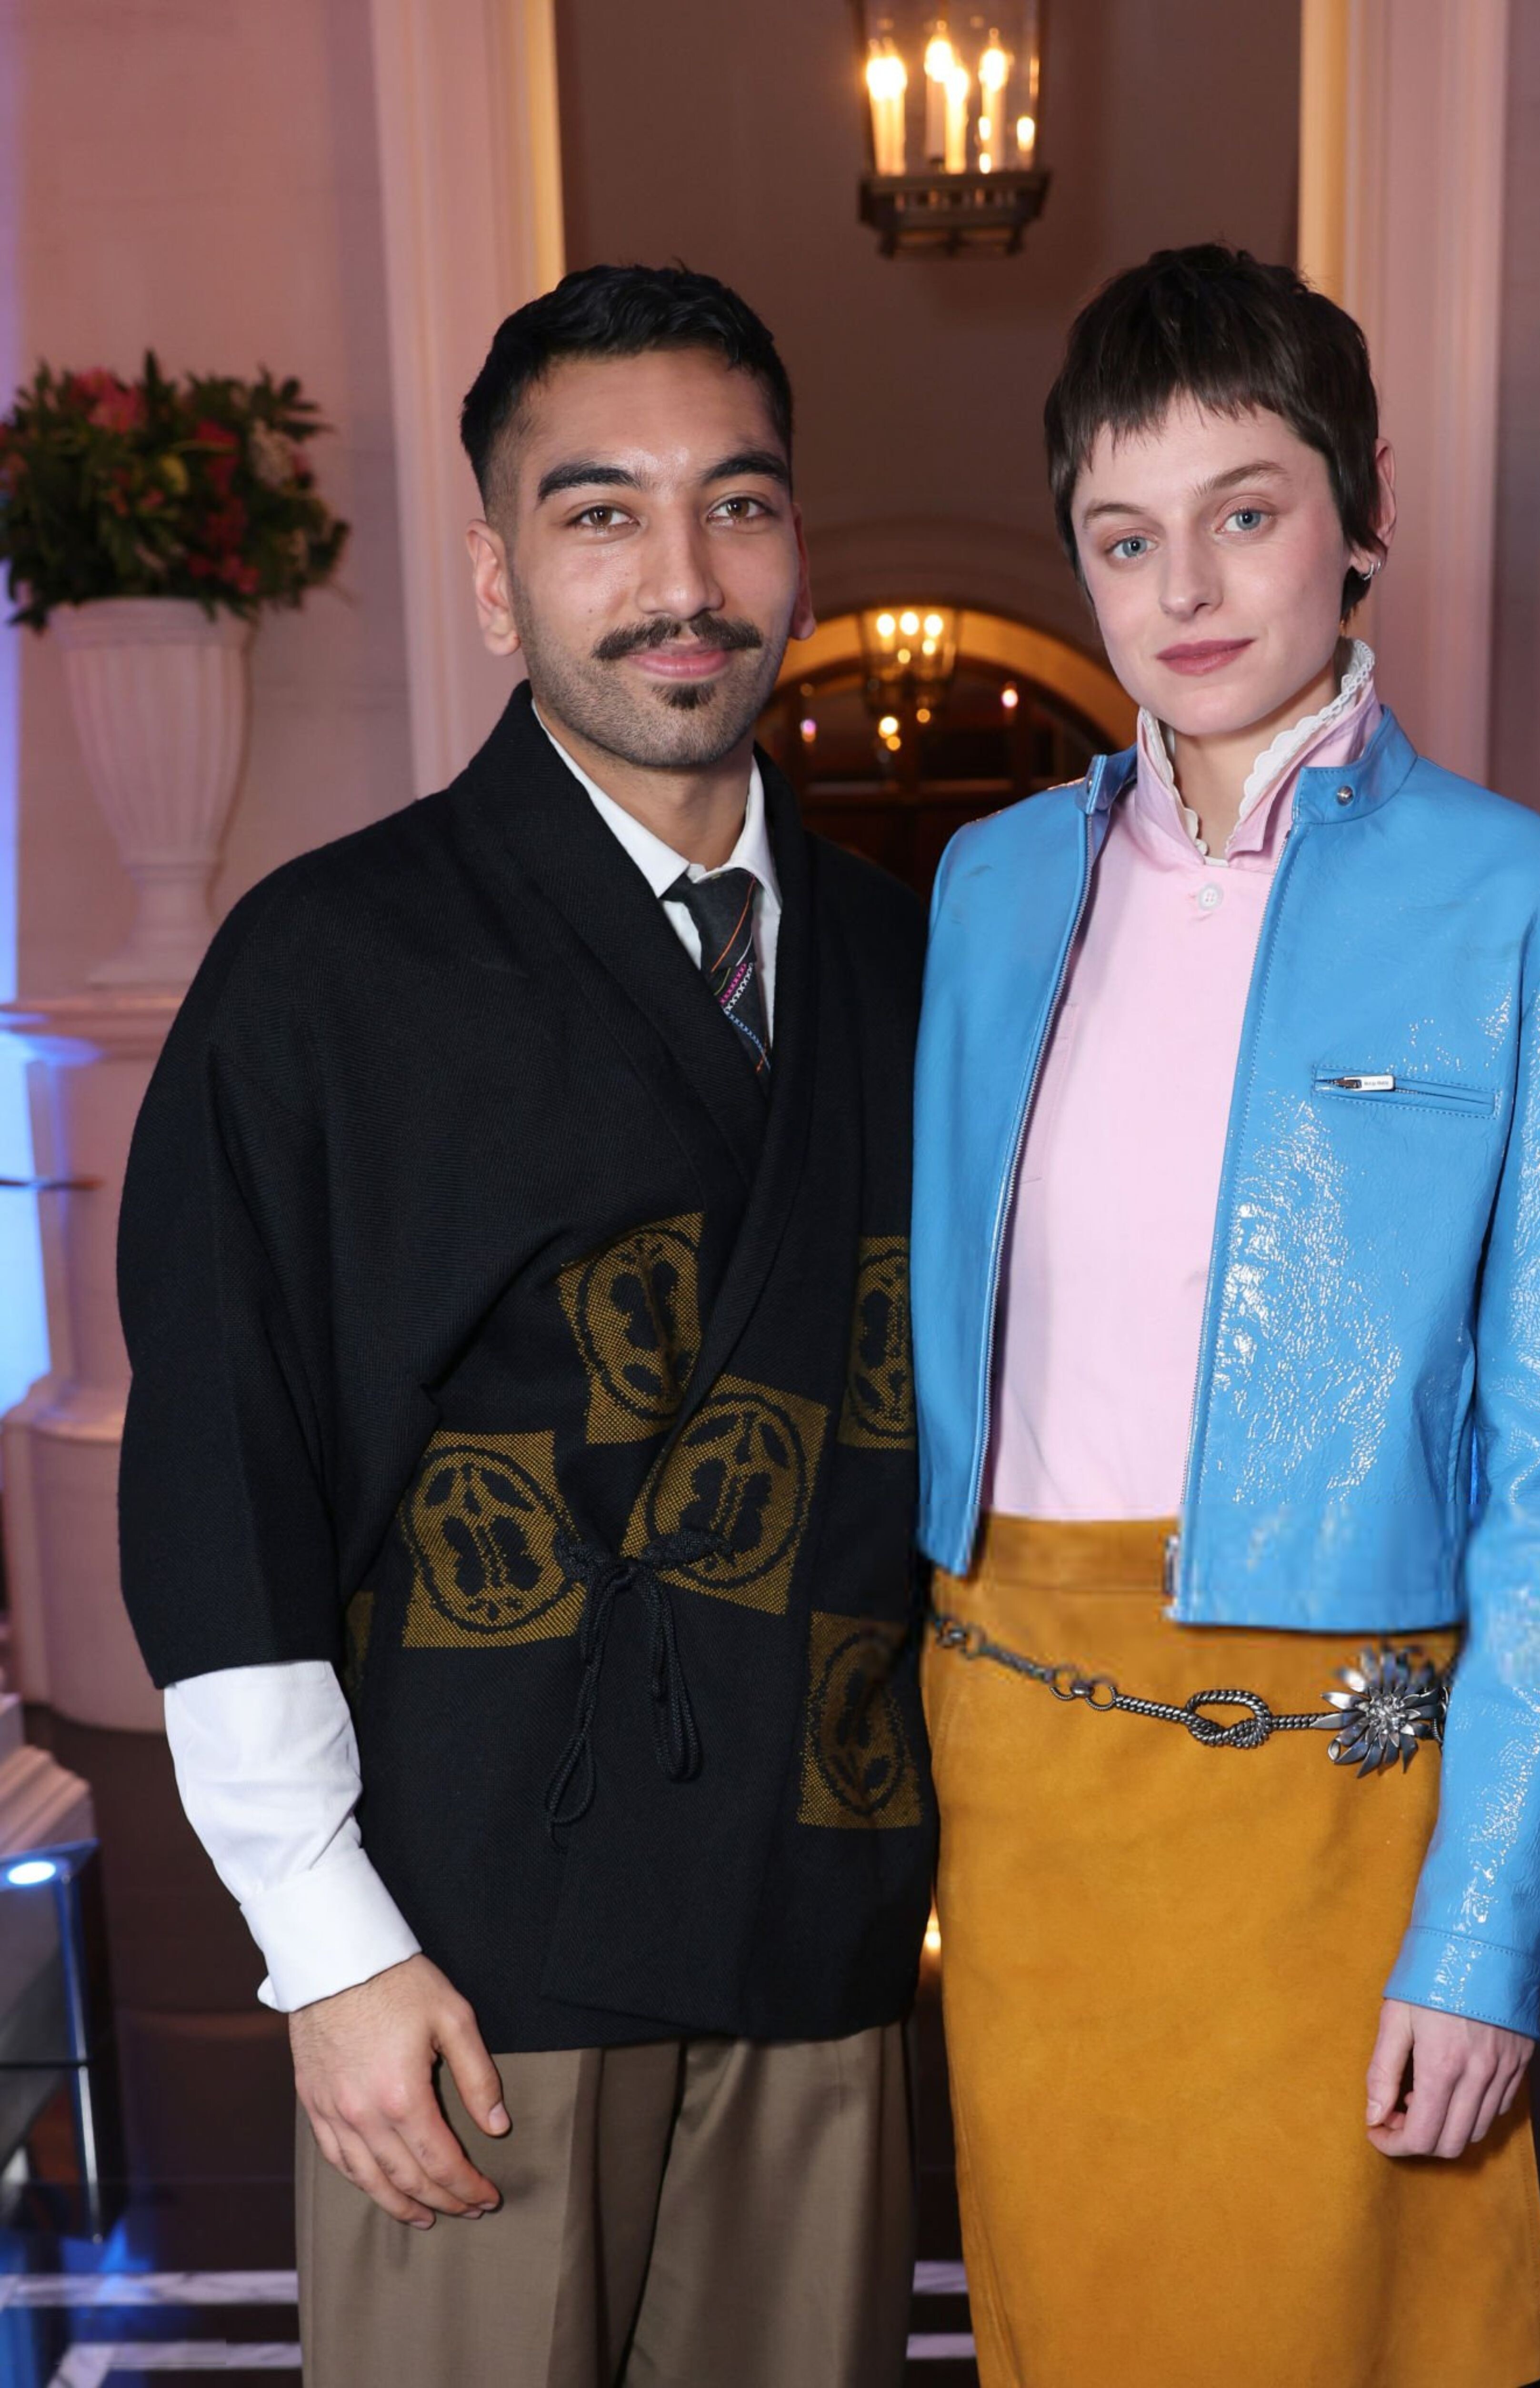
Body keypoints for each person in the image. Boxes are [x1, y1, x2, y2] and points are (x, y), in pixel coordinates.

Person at [117, 264, 933, 2388]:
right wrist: (328, 1950)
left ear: (796, 544)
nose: (684, 580)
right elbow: (222, 1478)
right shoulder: (329, 969)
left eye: (737, 505)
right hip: (470, 1958)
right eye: (600, 515)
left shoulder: (912, 960)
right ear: (497, 580)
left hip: (824, 1924)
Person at [910, 244, 1540, 2387]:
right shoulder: (990, 886)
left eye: (1247, 509)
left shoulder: (1526, 903)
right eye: (1125, 537)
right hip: (1025, 1768)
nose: (1189, 588)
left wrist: (1483, 1924)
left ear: (1362, 506)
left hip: (1337, 1788)